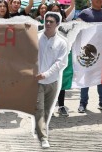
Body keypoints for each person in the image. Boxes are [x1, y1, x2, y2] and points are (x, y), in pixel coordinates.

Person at [35, 12, 68, 148]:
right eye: (46, 21)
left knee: (47, 111)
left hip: (52, 82)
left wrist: (46, 74)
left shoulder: (61, 43)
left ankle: (39, 128)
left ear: (57, 25)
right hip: (36, 82)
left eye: (51, 22)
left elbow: (60, 63)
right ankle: (43, 137)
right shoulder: (36, 38)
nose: (48, 24)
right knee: (39, 110)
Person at [77, 0, 102, 113]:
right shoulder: (85, 13)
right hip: (88, 51)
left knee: (101, 78)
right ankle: (83, 103)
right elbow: (77, 27)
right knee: (85, 76)